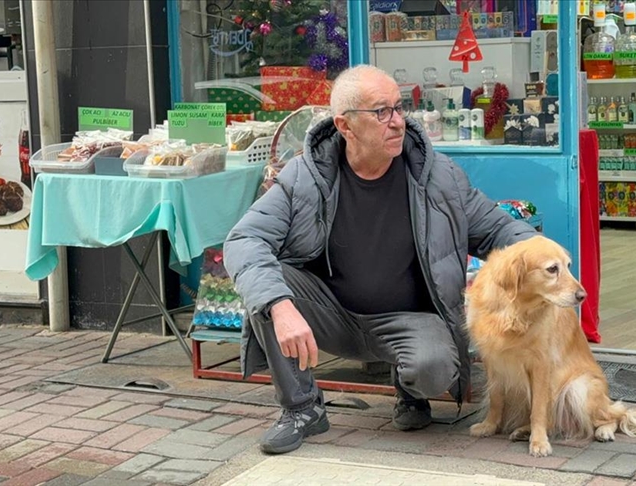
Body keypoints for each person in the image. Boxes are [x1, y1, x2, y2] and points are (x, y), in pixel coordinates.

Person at [223, 64, 538, 455]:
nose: (397, 122)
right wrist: (279, 305)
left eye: (399, 107)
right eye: (381, 111)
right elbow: (244, 239)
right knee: (267, 288)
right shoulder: (305, 177)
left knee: (433, 369)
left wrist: (547, 263)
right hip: (332, 313)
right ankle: (302, 410)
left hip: (407, 320)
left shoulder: (437, 176)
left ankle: (410, 391)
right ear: (345, 125)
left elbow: (498, 229)